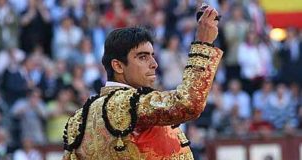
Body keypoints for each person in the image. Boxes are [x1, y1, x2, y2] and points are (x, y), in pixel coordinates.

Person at [63, 5, 222, 160]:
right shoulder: (126, 103)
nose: (154, 64)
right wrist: (203, 43)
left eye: (152, 55)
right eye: (142, 57)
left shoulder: (78, 120)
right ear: (118, 66)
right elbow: (188, 103)